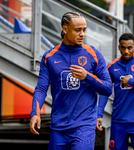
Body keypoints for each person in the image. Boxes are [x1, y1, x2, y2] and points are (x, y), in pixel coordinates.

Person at [29, 12, 113, 150]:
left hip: (84, 126)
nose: (82, 34)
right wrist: (35, 113)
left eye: (84, 30)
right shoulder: (49, 57)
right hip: (58, 127)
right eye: (77, 30)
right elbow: (41, 89)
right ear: (65, 29)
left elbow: (108, 88)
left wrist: (87, 76)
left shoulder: (94, 54)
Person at [97, 33, 134, 150]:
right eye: (123, 47)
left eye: (129, 48)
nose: (126, 51)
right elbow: (105, 91)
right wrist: (99, 114)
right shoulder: (112, 66)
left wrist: (132, 82)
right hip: (118, 120)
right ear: (119, 47)